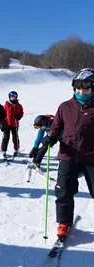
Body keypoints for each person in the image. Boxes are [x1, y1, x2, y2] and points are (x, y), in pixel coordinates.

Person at [47, 68, 94, 239]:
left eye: (86, 88)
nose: (81, 92)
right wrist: (50, 139)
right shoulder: (65, 107)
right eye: (78, 88)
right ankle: (64, 222)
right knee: (64, 190)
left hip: (91, 156)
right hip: (68, 154)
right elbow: (56, 128)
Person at [0, 91, 24, 160]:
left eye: (14, 97)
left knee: (15, 137)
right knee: (6, 137)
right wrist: (2, 122)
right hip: (7, 124)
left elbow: (21, 112)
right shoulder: (7, 105)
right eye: (11, 97)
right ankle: (3, 151)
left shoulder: (19, 105)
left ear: (16, 97)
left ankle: (16, 150)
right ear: (9, 97)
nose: (12, 98)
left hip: (15, 124)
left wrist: (19, 116)